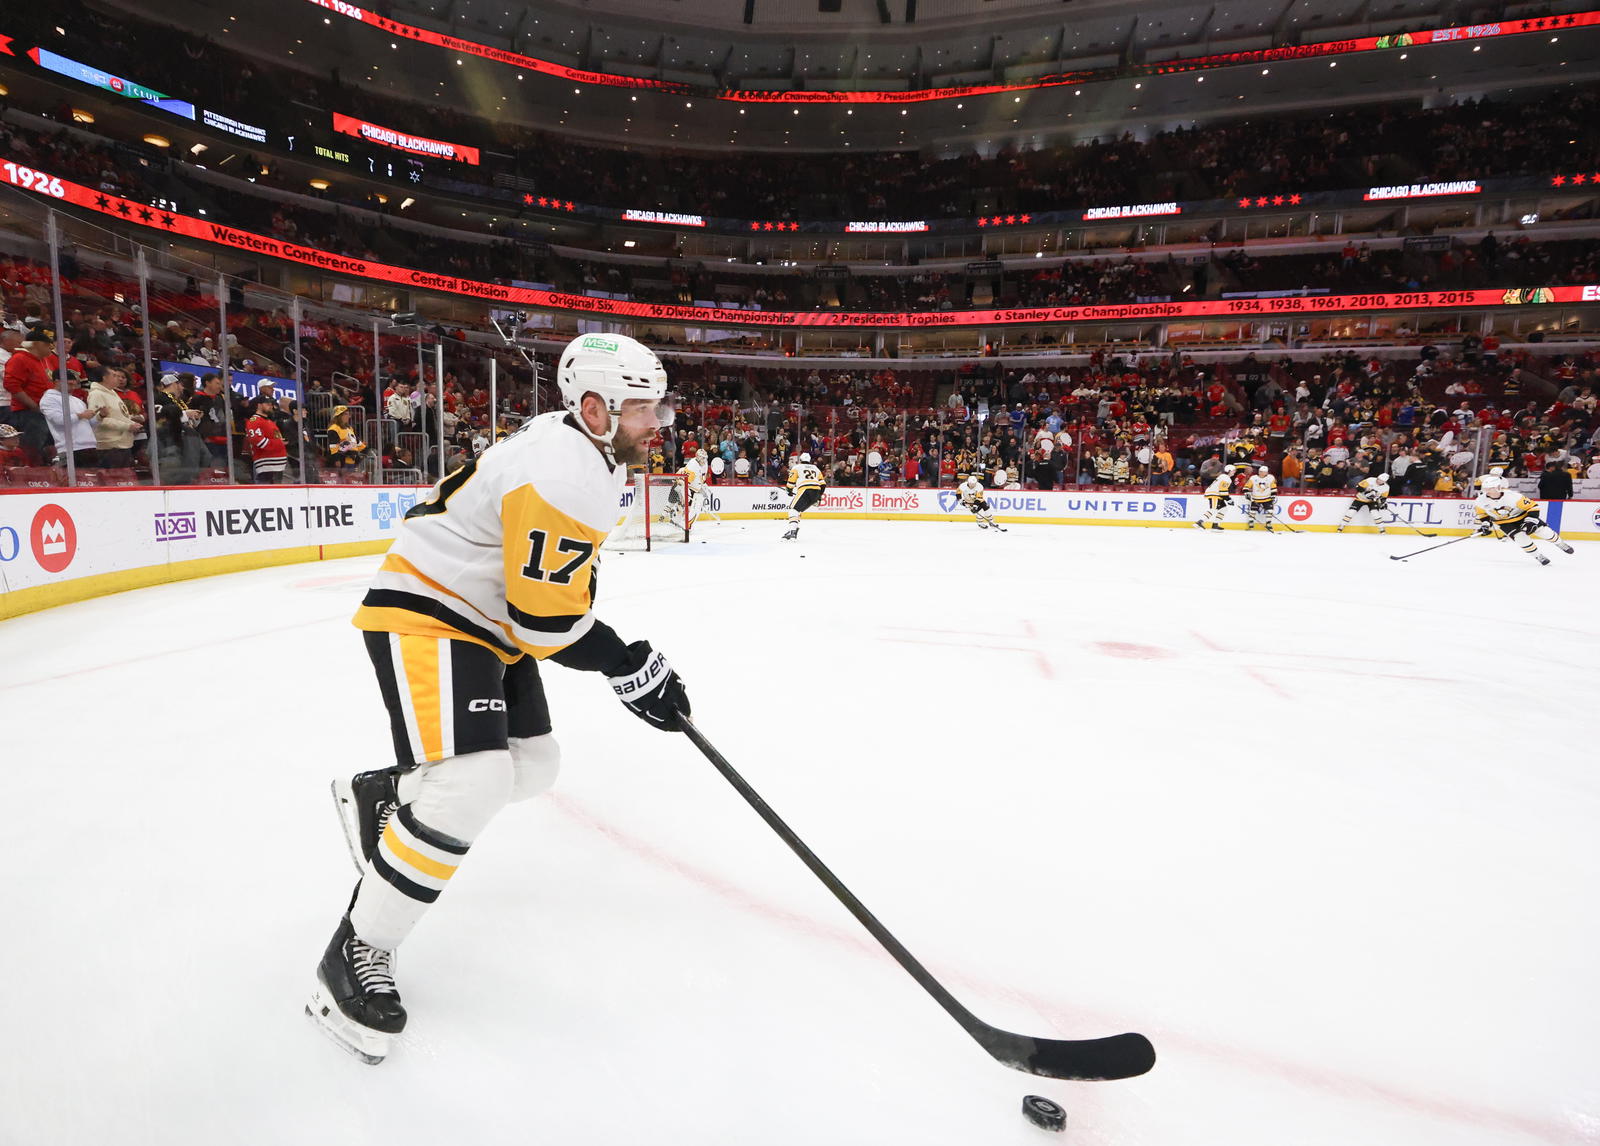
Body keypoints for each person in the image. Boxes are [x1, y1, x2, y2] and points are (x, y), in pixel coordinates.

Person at [310, 332, 690, 1065]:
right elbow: (545, 622)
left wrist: (623, 663)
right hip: (430, 610)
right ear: (595, 408)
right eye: (644, 409)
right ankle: (355, 950)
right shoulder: (564, 471)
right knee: (472, 782)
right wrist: (626, 665)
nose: (658, 423)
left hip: (485, 623)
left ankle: (384, 796)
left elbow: (545, 605)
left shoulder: (585, 451)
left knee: (533, 765)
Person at [1472, 473, 1574, 566]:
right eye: (1486, 489)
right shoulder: (1480, 501)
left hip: (1523, 517)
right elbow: (1482, 514)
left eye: (1490, 488)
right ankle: (1537, 556)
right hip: (1504, 523)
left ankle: (1560, 544)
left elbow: (1533, 507)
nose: (1487, 491)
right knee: (1521, 539)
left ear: (1498, 487)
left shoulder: (1513, 496)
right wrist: (1485, 525)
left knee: (1544, 532)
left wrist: (1530, 521)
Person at [86, 366, 142, 468]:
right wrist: (127, 426)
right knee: (114, 476)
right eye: (114, 375)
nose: (119, 378)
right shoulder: (97, 394)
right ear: (104, 378)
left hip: (122, 444)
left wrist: (132, 422)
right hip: (110, 446)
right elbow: (99, 420)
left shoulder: (112, 392)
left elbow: (119, 415)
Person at [781, 451, 825, 541]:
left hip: (805, 489)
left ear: (800, 460)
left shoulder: (797, 467)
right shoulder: (816, 468)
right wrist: (819, 497)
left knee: (793, 510)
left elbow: (791, 482)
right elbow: (823, 484)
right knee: (798, 511)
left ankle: (792, 532)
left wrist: (789, 490)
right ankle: (793, 529)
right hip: (816, 491)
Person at [246, 393, 288, 483]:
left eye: (271, 404)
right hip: (266, 465)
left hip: (276, 465)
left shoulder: (268, 421)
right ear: (259, 405)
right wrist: (279, 443)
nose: (271, 406)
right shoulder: (254, 421)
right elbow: (257, 441)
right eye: (267, 404)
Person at [1193, 464, 1236, 531]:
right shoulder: (1226, 478)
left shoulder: (1223, 476)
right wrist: (1228, 499)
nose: (1234, 472)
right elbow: (1223, 489)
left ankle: (1215, 525)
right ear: (1229, 471)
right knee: (1213, 509)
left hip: (1217, 494)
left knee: (1223, 508)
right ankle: (1200, 522)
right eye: (1233, 470)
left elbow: (1222, 490)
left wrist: (1228, 499)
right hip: (1214, 494)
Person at [1243, 464, 1278, 531]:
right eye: (1260, 471)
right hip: (1256, 498)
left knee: (1270, 511)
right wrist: (1247, 494)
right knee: (1252, 511)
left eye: (1263, 472)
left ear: (1267, 472)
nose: (1261, 473)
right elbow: (1246, 487)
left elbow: (1273, 487)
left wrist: (1273, 495)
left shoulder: (1271, 478)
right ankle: (1251, 523)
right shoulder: (1253, 478)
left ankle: (1268, 523)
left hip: (1267, 498)